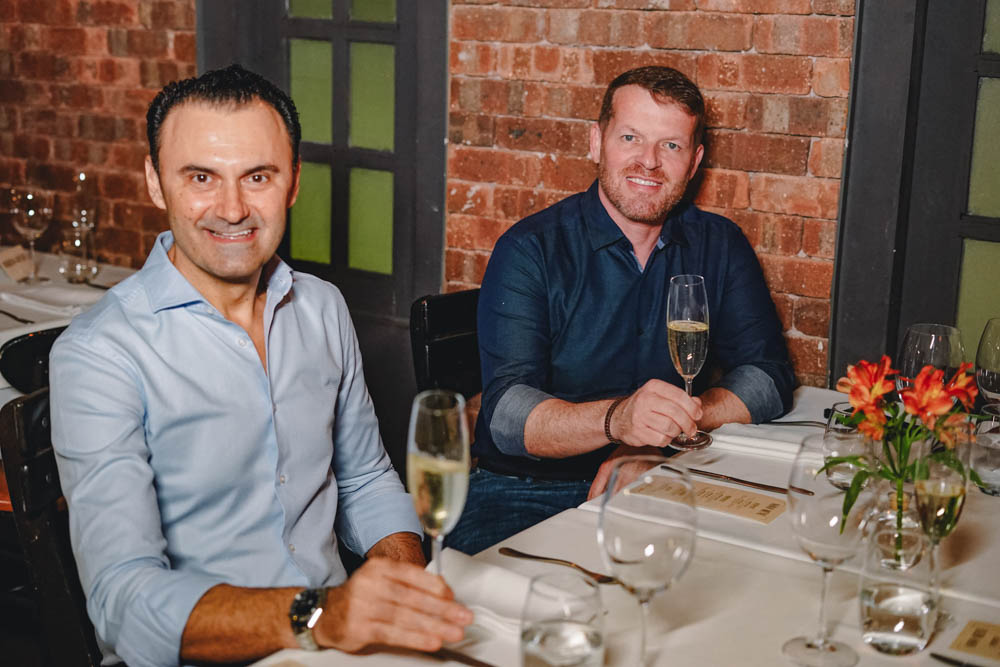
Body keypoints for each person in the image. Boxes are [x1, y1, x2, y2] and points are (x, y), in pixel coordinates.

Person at [49, 64, 471, 667]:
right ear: (155, 182)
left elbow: (365, 480)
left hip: (337, 648)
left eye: (257, 176)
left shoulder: (322, 307)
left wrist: (404, 592)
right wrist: (323, 615)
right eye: (201, 177)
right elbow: (126, 604)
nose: (232, 208)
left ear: (293, 182)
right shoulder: (99, 353)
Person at [446, 66, 795, 555]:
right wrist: (620, 421)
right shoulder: (530, 249)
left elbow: (770, 377)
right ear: (597, 142)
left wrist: (664, 431)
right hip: (525, 491)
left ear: (694, 162)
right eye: (630, 137)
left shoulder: (720, 245)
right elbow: (506, 416)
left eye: (670, 145)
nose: (648, 161)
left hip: (666, 474)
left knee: (745, 569)